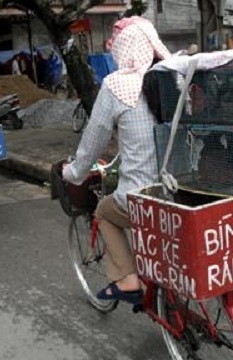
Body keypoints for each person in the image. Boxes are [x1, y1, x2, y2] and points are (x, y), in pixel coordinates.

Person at [63, 16, 171, 305]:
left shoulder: (117, 86)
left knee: (103, 211)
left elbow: (93, 142)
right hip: (180, 193)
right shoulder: (174, 78)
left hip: (140, 198)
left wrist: (73, 172)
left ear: (123, 49)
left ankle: (127, 280)